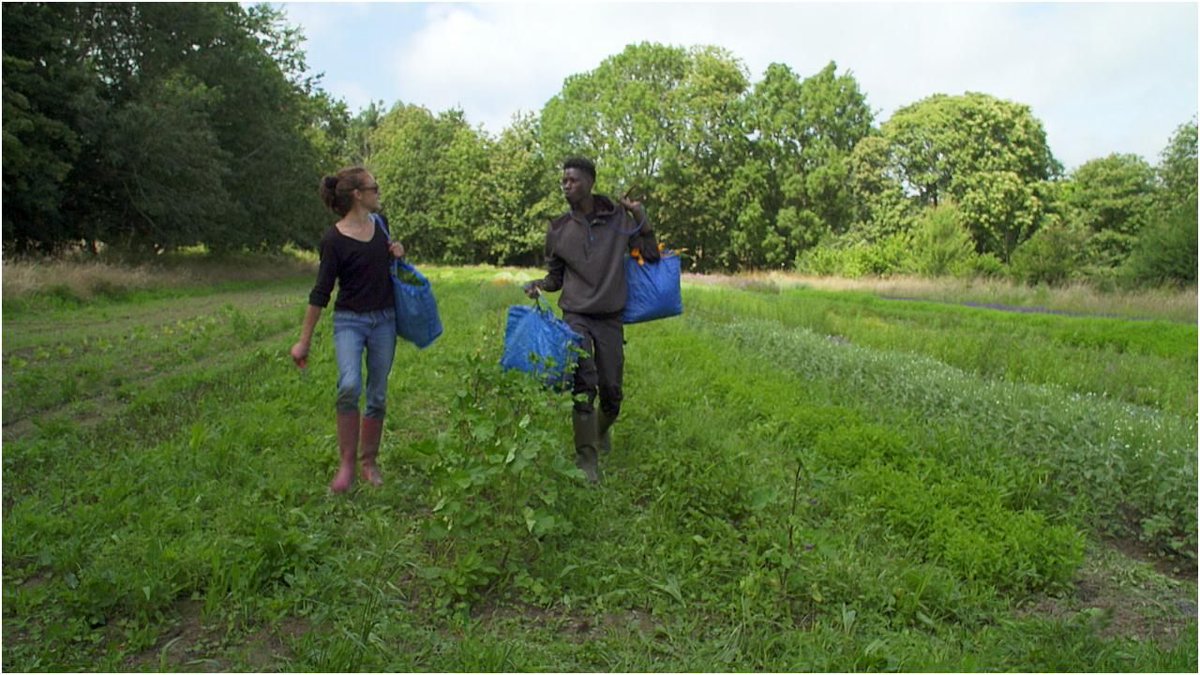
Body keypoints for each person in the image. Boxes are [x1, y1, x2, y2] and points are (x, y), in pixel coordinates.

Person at [523, 156, 660, 484]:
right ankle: (587, 460)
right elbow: (555, 278)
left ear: (590, 182)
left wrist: (639, 213)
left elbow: (651, 254)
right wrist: (539, 284)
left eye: (572, 180)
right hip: (576, 316)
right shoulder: (558, 229)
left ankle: (598, 431)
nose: (566, 185)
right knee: (584, 384)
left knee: (612, 393)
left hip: (610, 318)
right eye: (563, 181)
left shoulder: (618, 220)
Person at [291, 167, 405, 493]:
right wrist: (303, 341)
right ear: (358, 194)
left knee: (377, 394)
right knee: (350, 385)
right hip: (349, 323)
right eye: (374, 187)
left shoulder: (381, 226)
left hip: (384, 320)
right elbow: (320, 293)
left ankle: (369, 463)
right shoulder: (333, 240)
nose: (378, 193)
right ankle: (346, 465)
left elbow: (389, 267)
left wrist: (398, 253)